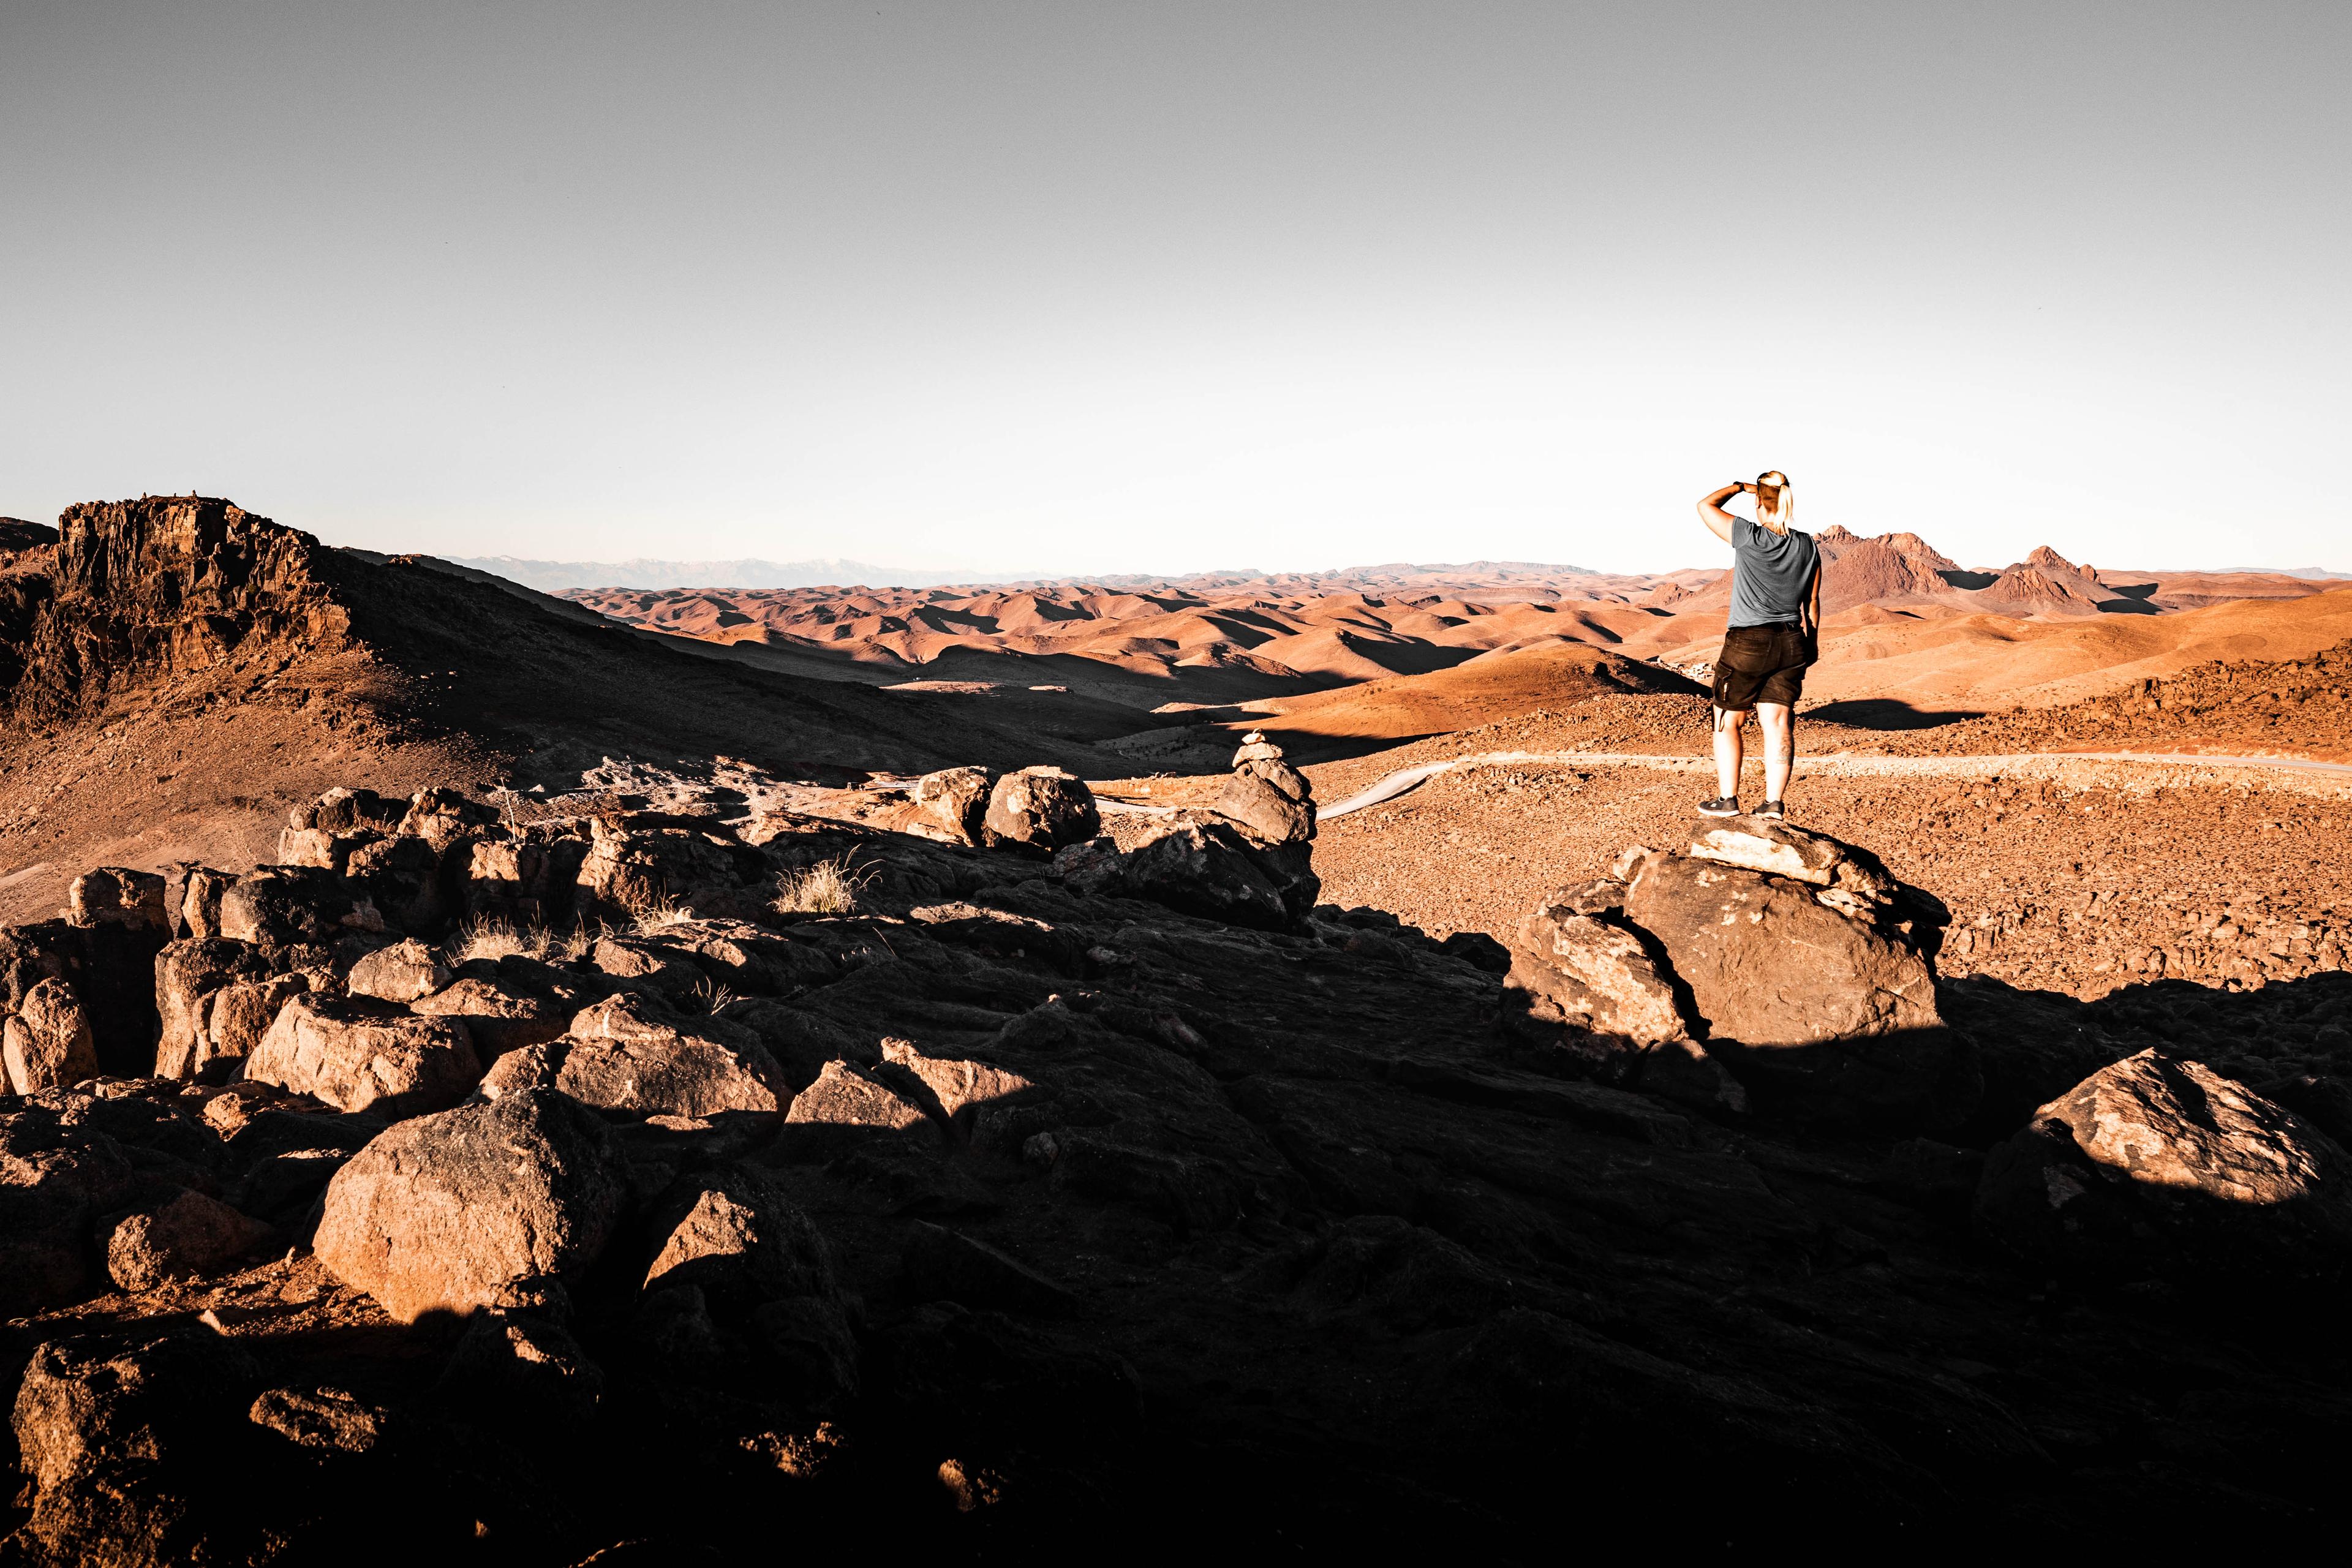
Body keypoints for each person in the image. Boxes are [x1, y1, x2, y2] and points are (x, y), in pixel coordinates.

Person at [1694, 470, 1819, 820]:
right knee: (1778, 722)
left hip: (1748, 641)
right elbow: (1812, 602)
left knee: (1727, 721)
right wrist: (1813, 643)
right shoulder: (1807, 544)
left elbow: (1706, 505)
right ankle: (1774, 804)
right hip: (1793, 641)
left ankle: (1727, 799)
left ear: (1758, 499)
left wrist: (1738, 486)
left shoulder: (1748, 536)